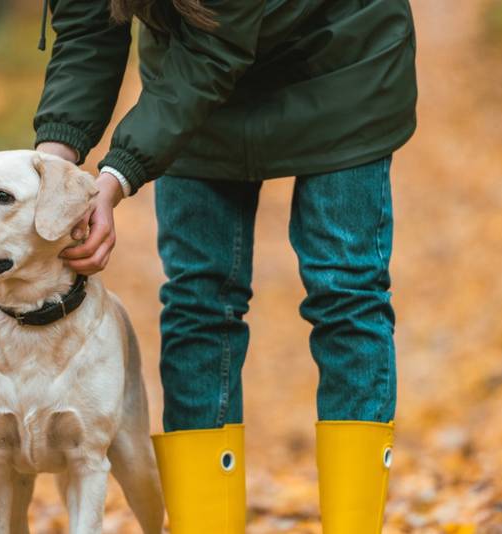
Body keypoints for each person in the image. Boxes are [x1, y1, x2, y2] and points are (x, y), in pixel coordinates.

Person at [32, 0, 416, 532]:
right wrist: (49, 178)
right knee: (197, 301)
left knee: (346, 292)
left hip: (340, 60)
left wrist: (116, 176)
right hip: (195, 82)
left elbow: (215, 49)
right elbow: (89, 31)